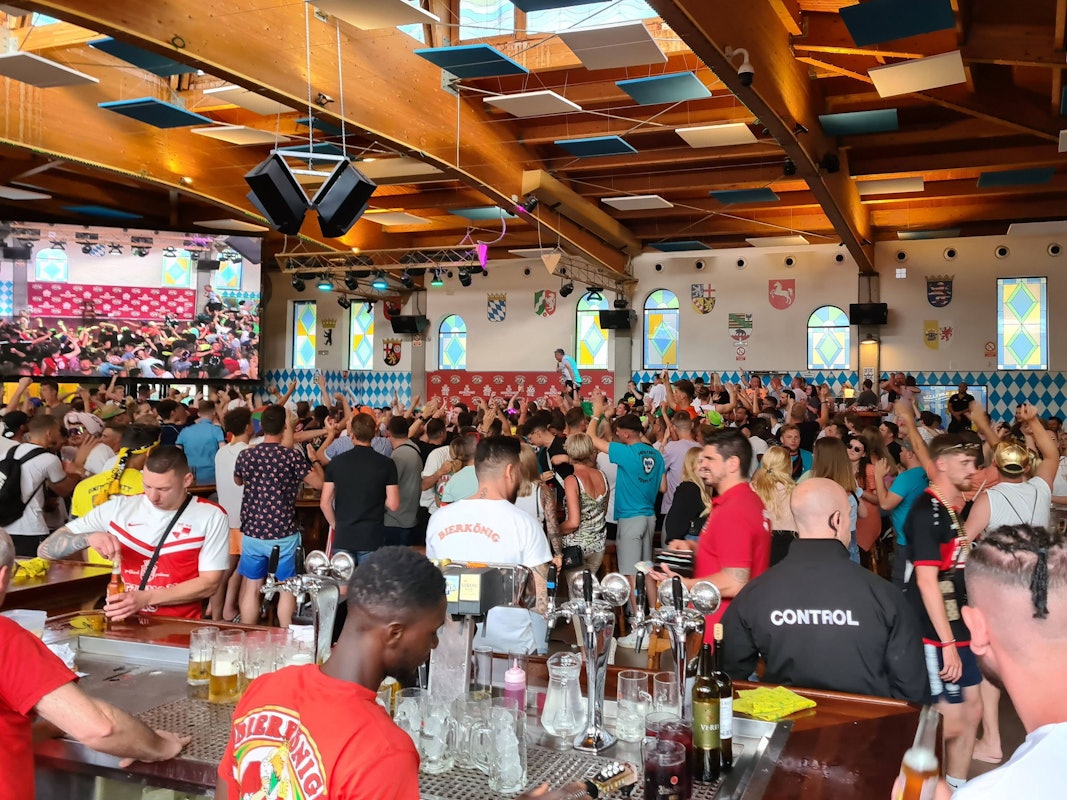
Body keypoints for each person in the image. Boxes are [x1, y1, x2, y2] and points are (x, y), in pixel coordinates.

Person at [0, 529, 190, 799]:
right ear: (3, 577)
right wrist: (159, 746)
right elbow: (101, 728)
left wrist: (52, 726)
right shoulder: (5, 638)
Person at [721, 478, 927, 701]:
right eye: (849, 516)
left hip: (786, 728)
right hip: (867, 729)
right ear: (837, 520)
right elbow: (912, 688)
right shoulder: (884, 596)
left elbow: (728, 674)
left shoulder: (755, 594)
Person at [963, 403, 1056, 767]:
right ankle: (1046, 738)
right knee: (1035, 659)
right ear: (1027, 467)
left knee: (989, 660)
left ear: (998, 468)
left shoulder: (989, 497)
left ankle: (992, 741)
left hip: (1000, 587)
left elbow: (965, 541)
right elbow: (1052, 453)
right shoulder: (1041, 489)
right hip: (1041, 585)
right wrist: (1032, 421)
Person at [39, 446, 229, 620]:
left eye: (163, 489)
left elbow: (209, 584)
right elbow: (45, 550)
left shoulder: (211, 515)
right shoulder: (119, 508)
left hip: (179, 625)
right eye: (147, 486)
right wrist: (88, 538)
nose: (153, 496)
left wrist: (146, 598)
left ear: (187, 480)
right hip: (124, 622)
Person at [904, 433, 983, 792]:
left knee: (973, 712)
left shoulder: (952, 507)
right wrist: (946, 642)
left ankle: (957, 787)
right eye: (965, 463)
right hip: (935, 632)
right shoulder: (926, 511)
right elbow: (926, 581)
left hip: (959, 624)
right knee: (945, 722)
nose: (973, 469)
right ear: (942, 465)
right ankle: (924, 789)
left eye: (973, 462)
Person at [426, 436, 552, 653]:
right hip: (512, 651)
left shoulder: (439, 519)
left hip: (450, 645)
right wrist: (541, 650)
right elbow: (539, 602)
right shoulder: (525, 524)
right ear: (510, 471)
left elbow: (431, 585)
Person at [655, 429, 771, 636]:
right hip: (728, 625)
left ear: (732, 464)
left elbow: (734, 581)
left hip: (723, 629)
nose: (702, 465)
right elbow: (731, 552)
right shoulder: (746, 500)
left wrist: (682, 585)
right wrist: (693, 547)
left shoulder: (734, 509)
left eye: (709, 459)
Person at [234, 405, 324, 627]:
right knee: (287, 587)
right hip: (283, 531)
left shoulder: (246, 454)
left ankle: (249, 634)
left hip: (253, 531)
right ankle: (286, 636)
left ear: (261, 426)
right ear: (285, 427)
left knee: (252, 586)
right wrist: (314, 461)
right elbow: (319, 484)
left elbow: (238, 481)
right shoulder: (291, 457)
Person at [587, 393, 664, 625]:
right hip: (650, 516)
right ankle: (654, 618)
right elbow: (663, 487)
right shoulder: (656, 454)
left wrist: (597, 413)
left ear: (627, 433)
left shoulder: (627, 452)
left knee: (631, 573)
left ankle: (638, 624)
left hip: (630, 518)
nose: (617, 436)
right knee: (647, 569)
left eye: (619, 433)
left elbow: (591, 438)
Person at [320, 412, 399, 564]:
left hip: (344, 535)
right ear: (374, 433)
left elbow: (324, 503)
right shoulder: (386, 464)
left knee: (342, 586)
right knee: (368, 586)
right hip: (371, 537)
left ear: (352, 434)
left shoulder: (336, 463)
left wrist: (336, 525)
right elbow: (393, 504)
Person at [4, 414, 85, 556]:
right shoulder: (48, 459)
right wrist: (77, 470)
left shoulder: (10, 452)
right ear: (49, 433)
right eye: (58, 431)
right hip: (31, 529)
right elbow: (63, 489)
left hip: (5, 527)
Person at [210, 407, 254, 621]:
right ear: (248, 426)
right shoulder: (250, 451)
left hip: (224, 517)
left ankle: (217, 614)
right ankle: (234, 610)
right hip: (246, 520)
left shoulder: (221, 453)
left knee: (224, 570)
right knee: (246, 569)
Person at [559, 433, 608, 581]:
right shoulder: (602, 476)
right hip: (598, 545)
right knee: (589, 593)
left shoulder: (571, 480)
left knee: (576, 597)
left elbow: (574, 522)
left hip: (576, 548)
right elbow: (602, 511)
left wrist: (555, 529)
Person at [750, 446, 797, 565]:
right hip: (790, 543)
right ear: (788, 465)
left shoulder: (752, 488)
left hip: (760, 541)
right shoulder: (796, 490)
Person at [662, 446, 711, 544]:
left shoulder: (702, 489)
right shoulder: (689, 489)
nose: (706, 465)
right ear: (691, 465)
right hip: (684, 546)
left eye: (708, 461)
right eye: (700, 461)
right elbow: (675, 523)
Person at [176, 400, 225, 485]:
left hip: (190, 475)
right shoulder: (216, 430)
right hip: (212, 476)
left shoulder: (185, 431)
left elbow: (176, 452)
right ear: (214, 413)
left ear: (199, 414)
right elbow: (223, 451)